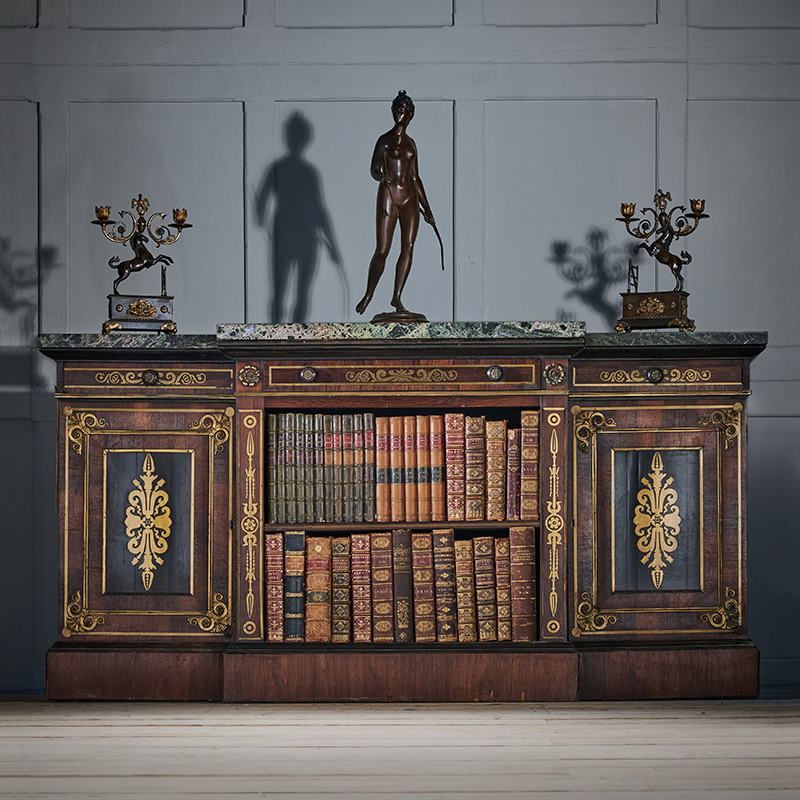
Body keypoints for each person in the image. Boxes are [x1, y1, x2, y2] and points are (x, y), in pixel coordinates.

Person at [356, 90, 436, 316]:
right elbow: (373, 168)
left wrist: (428, 209)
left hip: (410, 197)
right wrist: (381, 176)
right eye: (396, 111)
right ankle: (369, 294)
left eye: (403, 112)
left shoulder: (411, 144)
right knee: (382, 250)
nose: (399, 115)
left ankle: (397, 298)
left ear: (410, 115)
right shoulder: (384, 140)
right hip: (389, 195)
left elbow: (415, 177)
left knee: (408, 247)